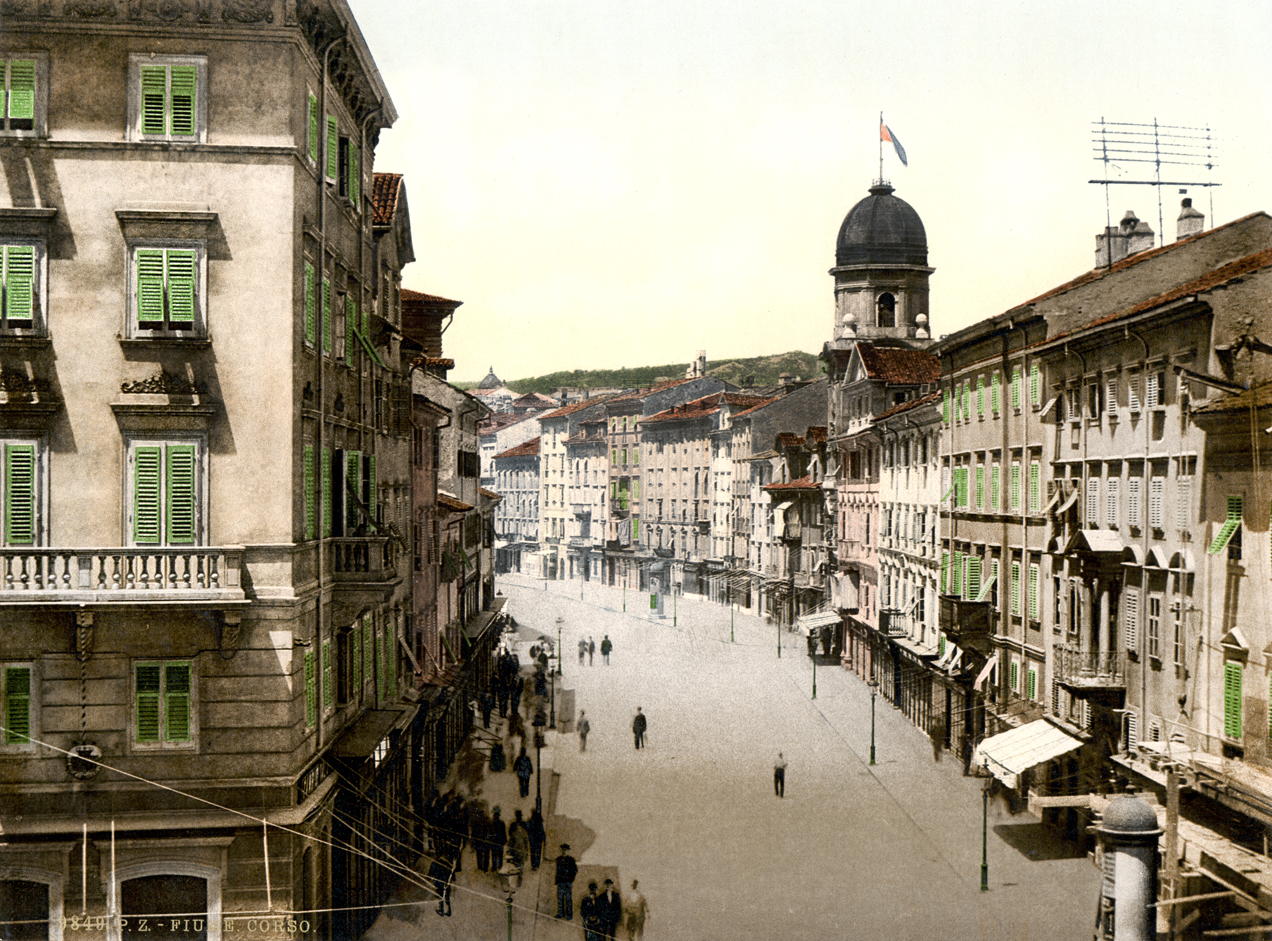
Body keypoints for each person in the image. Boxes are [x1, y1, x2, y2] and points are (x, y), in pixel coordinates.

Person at [555, 843, 578, 920]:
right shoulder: (558, 859)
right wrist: (557, 880)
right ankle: (560, 913)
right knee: (560, 898)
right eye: (562, 850)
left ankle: (569, 915)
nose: (564, 851)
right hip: (560, 882)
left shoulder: (571, 860)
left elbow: (575, 870)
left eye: (565, 850)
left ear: (568, 851)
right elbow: (557, 871)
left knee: (568, 899)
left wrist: (571, 879)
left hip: (568, 882)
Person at [508, 810, 531, 885]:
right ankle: (518, 881)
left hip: (516, 851)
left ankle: (516, 881)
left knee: (516, 866)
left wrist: (510, 850)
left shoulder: (514, 827)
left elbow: (510, 840)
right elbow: (526, 842)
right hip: (520, 851)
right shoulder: (522, 828)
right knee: (519, 866)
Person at [489, 806, 507, 871]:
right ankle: (497, 866)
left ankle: (497, 866)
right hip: (497, 841)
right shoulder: (498, 823)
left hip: (497, 841)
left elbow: (504, 833)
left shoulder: (495, 823)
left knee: (497, 855)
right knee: (497, 855)